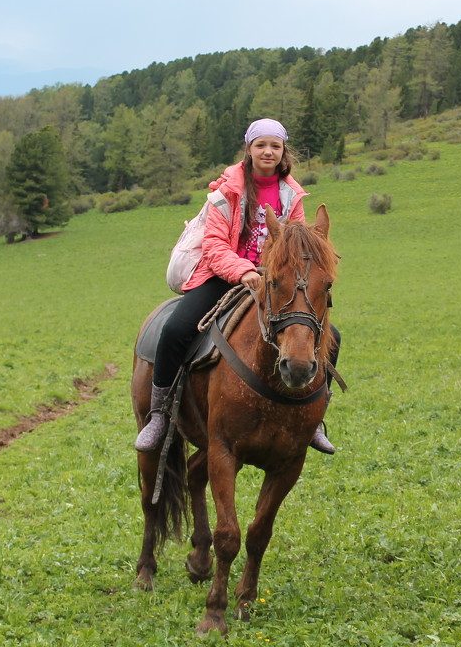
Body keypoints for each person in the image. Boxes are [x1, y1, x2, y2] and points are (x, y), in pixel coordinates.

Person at [136, 118, 339, 454]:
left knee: (330, 337)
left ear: (283, 151)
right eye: (261, 145)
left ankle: (315, 418)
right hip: (221, 275)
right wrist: (242, 270)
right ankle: (159, 413)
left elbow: (299, 244)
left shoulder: (293, 196)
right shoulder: (226, 192)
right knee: (176, 329)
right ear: (249, 149)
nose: (268, 151)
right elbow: (214, 245)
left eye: (275, 145)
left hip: (276, 280)